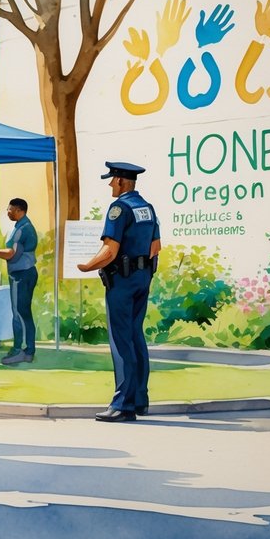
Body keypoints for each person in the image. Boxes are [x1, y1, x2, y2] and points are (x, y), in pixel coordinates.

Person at [76, 161, 161, 422]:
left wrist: (87, 265)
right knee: (136, 337)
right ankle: (139, 399)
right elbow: (155, 247)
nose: (111, 184)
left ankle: (122, 405)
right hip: (143, 277)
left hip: (121, 281)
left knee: (121, 340)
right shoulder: (146, 207)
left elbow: (110, 250)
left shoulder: (119, 208)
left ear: (122, 181)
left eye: (112, 180)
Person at [0, 198, 38, 365]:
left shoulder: (23, 229)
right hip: (21, 273)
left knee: (20, 313)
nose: (7, 212)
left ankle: (21, 350)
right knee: (23, 312)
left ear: (19, 210)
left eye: (10, 210)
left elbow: (11, 254)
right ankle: (27, 350)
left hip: (22, 274)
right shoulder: (19, 226)